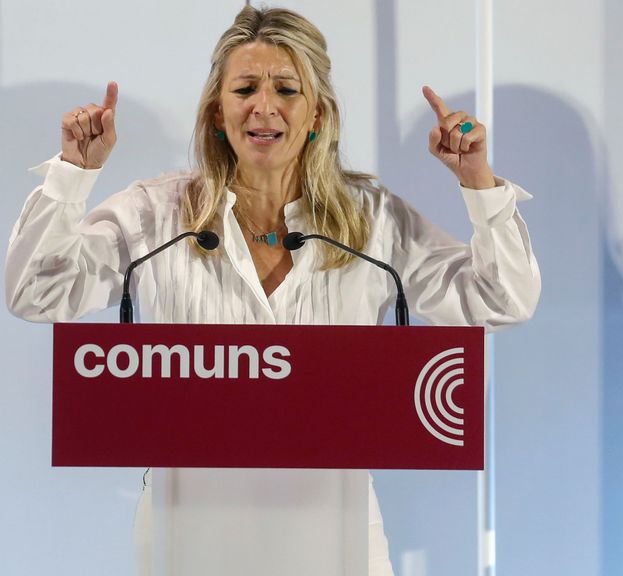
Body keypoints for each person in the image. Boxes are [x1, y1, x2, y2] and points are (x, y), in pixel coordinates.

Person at [5, 6, 540, 576]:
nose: (265, 106)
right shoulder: (155, 215)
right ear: (218, 112)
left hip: (337, 539)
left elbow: (499, 301)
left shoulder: (373, 221)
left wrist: (478, 185)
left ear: (317, 114)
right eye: (245, 88)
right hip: (187, 535)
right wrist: (71, 174)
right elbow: (39, 292)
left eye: (287, 88)